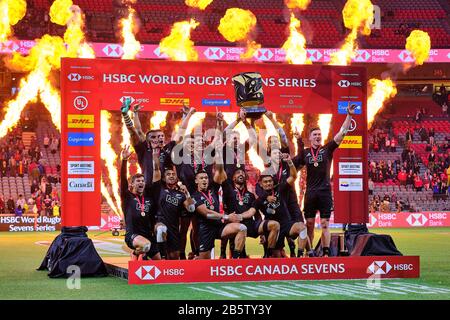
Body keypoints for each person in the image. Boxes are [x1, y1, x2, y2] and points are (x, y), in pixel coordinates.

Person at [296, 102, 357, 257]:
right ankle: (309, 252)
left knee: (324, 223)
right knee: (309, 224)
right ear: (309, 138)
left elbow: (342, 133)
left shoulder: (327, 149)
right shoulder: (305, 153)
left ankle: (325, 253)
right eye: (314, 135)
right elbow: (293, 166)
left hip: (324, 192)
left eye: (319, 135)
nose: (318, 137)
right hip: (310, 192)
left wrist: (349, 115)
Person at [191, 114, 248, 259]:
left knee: (242, 228)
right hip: (193, 202)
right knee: (202, 259)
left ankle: (234, 261)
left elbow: (219, 137)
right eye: (194, 143)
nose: (199, 145)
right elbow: (207, 213)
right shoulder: (184, 162)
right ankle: (192, 257)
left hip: (216, 220)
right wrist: (227, 216)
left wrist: (221, 122)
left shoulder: (208, 157)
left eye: (201, 143)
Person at [253, 153, 309, 258]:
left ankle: (300, 256)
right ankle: (270, 258)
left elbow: (293, 176)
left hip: (285, 224)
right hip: (273, 227)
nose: (268, 183)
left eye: (270, 181)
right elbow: (253, 212)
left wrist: (289, 162)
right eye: (265, 182)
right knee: (276, 256)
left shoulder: (280, 188)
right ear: (261, 184)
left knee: (302, 227)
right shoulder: (259, 199)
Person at [221, 166, 281, 259]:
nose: (241, 174)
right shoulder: (228, 191)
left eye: (243, 173)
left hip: (251, 225)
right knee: (241, 257)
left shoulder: (251, 195)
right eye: (238, 173)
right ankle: (235, 260)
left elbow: (256, 214)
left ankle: (268, 256)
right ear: (233, 178)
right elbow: (222, 176)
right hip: (235, 225)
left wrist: (262, 233)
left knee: (275, 225)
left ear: (246, 177)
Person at [120, 145, 161, 261]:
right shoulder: (127, 197)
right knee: (146, 246)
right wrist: (124, 161)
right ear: (132, 184)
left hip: (148, 235)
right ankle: (135, 252)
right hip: (133, 235)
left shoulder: (149, 198)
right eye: (138, 181)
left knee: (160, 263)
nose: (141, 182)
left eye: (142, 181)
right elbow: (122, 180)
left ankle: (140, 255)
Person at [154, 166, 195, 259]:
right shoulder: (158, 189)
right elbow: (156, 169)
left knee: (174, 257)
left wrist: (187, 193)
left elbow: (191, 209)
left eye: (173, 174)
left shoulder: (180, 194)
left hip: (173, 228)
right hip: (159, 222)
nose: (171, 176)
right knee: (161, 229)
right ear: (164, 178)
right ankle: (162, 257)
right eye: (168, 174)